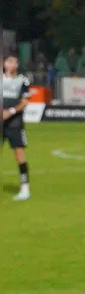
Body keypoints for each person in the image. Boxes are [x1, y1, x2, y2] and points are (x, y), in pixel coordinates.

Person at [1, 54, 31, 201]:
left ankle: (25, 189)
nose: (11, 64)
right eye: (9, 61)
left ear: (17, 65)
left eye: (14, 62)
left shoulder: (22, 80)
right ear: (4, 64)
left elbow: (25, 102)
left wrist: (11, 111)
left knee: (19, 155)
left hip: (15, 123)